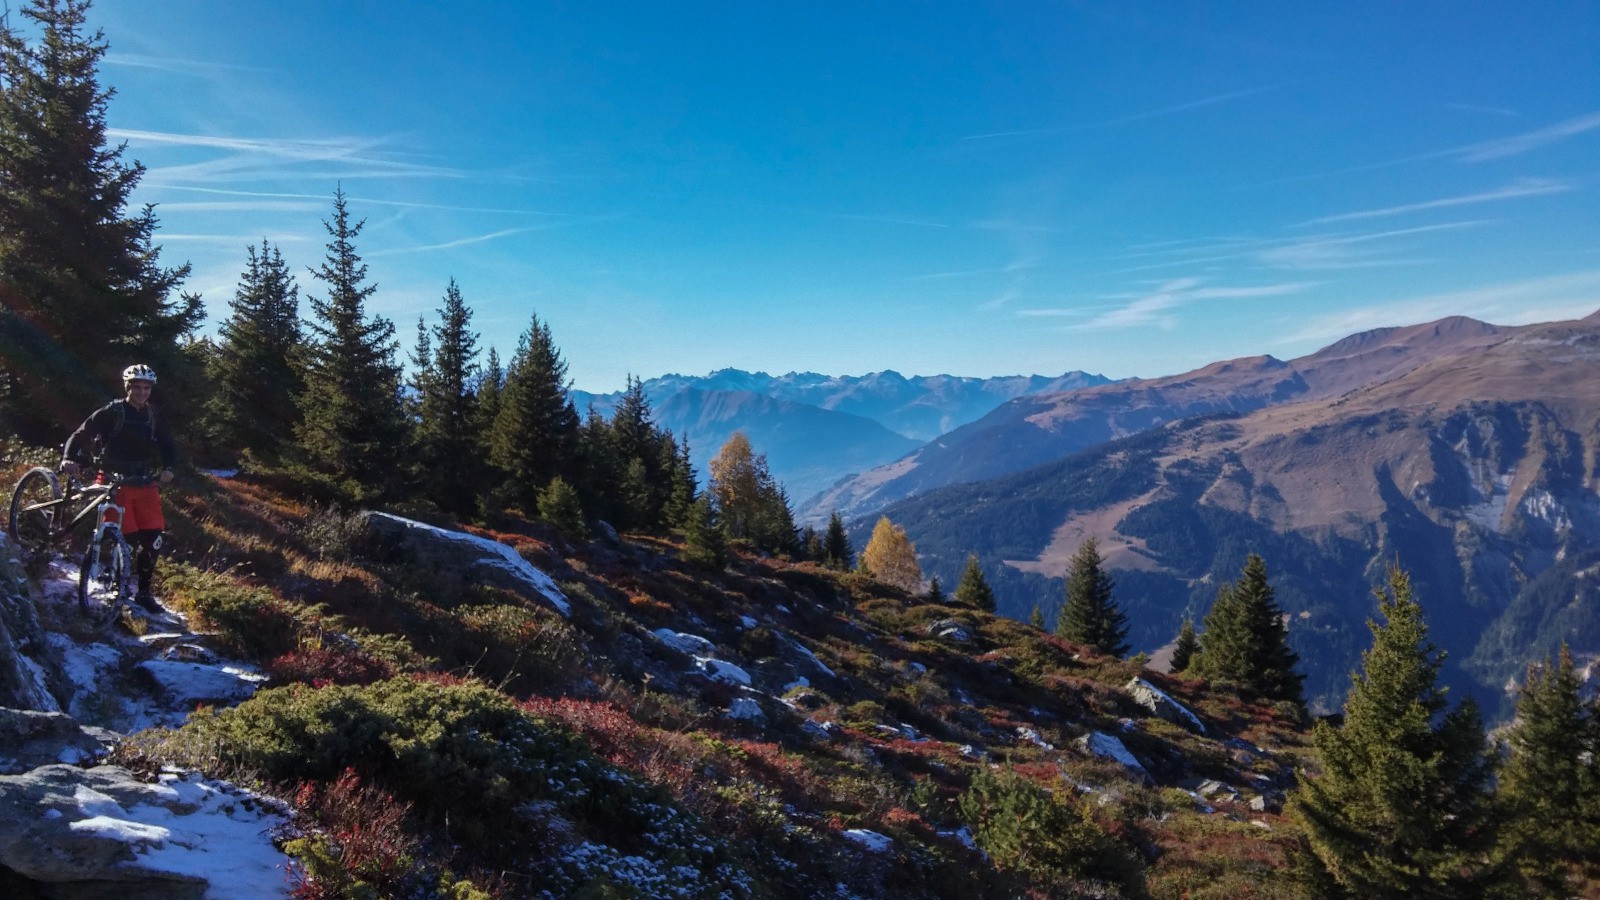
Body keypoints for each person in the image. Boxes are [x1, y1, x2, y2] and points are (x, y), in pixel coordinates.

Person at [61, 364, 178, 612]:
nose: (142, 392)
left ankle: (144, 593)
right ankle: (117, 581)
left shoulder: (153, 415)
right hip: (114, 480)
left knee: (154, 538)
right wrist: (69, 457)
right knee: (126, 537)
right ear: (128, 387)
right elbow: (81, 434)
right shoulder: (112, 412)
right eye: (137, 387)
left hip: (144, 480)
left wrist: (169, 467)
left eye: (146, 388)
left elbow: (168, 445)